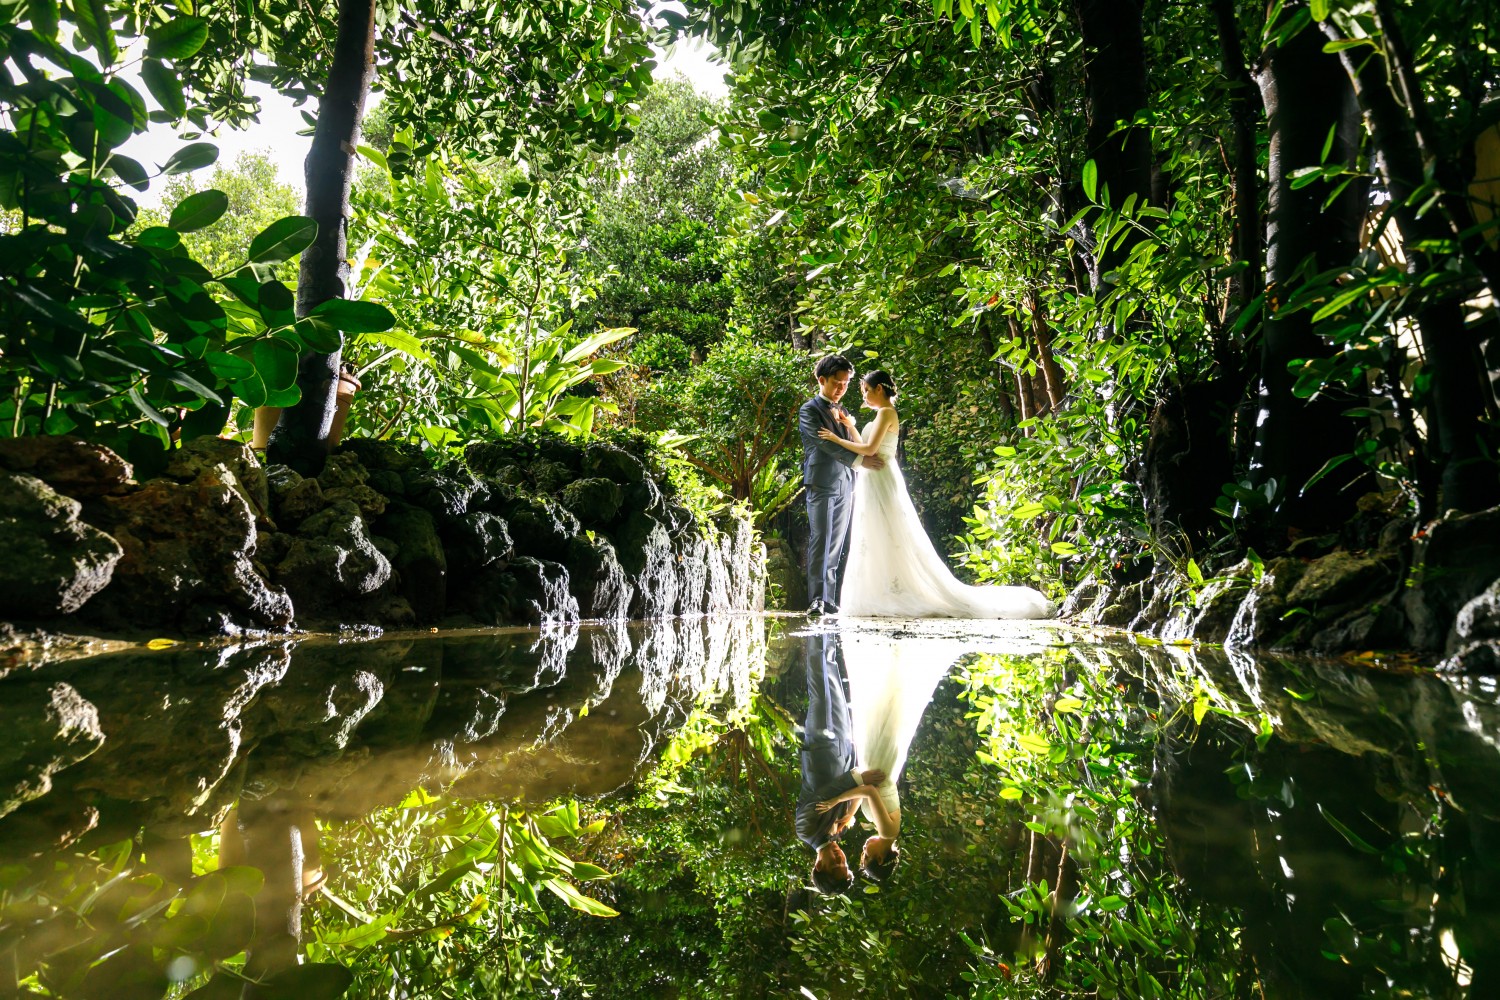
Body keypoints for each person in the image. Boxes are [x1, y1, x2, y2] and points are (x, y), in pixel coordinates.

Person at [817, 370, 1052, 618]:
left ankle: (896, 593)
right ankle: (881, 591)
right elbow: (866, 445)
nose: (863, 395)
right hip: (871, 478)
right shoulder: (879, 415)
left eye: (866, 390)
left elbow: (870, 449)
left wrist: (835, 439)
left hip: (881, 478)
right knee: (874, 532)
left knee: (888, 530)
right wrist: (850, 427)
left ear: (879, 389)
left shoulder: (887, 412)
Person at [795, 632, 885, 894]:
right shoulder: (837, 832)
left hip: (822, 746)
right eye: (844, 863)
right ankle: (829, 615)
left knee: (819, 681)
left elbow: (824, 794)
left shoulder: (806, 830)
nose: (840, 857)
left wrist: (859, 780)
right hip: (844, 748)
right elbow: (849, 799)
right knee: (832, 673)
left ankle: (817, 618)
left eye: (835, 864)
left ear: (818, 867)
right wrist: (850, 812)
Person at [798, 355, 886, 616]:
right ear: (821, 380)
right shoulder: (809, 410)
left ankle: (829, 599)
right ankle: (815, 599)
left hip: (846, 484)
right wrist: (860, 461)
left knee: (836, 543)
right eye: (837, 383)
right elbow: (823, 444)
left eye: (846, 384)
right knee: (821, 539)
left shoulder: (844, 412)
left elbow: (852, 441)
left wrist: (861, 459)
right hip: (822, 482)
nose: (841, 388)